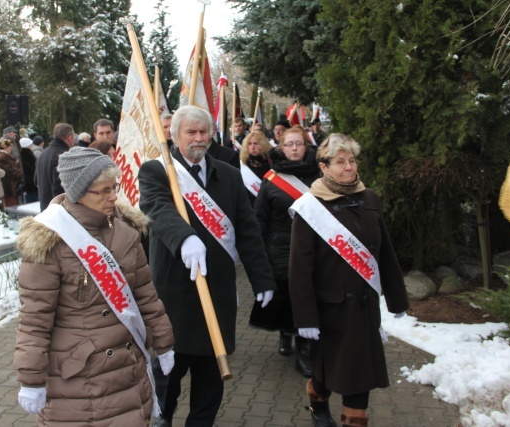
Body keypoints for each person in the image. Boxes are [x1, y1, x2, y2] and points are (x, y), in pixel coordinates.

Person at [14, 146, 175, 425]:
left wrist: (164, 342)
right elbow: (34, 321)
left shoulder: (125, 230)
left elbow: (146, 295)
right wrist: (31, 379)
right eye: (104, 190)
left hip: (127, 370)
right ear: (78, 192)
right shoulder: (49, 241)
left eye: (115, 187)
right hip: (80, 380)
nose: (114, 196)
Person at [138, 105, 276, 427]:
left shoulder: (228, 174)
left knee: (210, 385)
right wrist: (184, 237)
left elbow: (248, 230)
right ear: (175, 136)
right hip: (176, 296)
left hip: (218, 294)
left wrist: (262, 279)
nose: (199, 139)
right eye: (191, 132)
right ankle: (161, 418)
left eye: (204, 132)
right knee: (169, 378)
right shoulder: (157, 171)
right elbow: (156, 207)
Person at [288, 134, 409, 427]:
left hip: (366, 309)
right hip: (331, 310)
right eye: (340, 162)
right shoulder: (311, 206)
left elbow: (385, 252)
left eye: (352, 161)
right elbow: (299, 269)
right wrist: (305, 318)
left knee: (359, 379)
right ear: (324, 166)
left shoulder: (370, 198)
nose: (348, 168)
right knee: (325, 374)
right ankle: (318, 407)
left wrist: (397, 299)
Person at [250, 125, 321, 378]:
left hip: (311, 249)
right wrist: (258, 254)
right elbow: (260, 219)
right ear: (282, 147)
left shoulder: (319, 175)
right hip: (279, 247)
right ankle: (285, 334)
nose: (294, 148)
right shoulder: (270, 178)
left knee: (305, 296)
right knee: (285, 297)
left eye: (298, 144)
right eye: (289, 144)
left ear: (306, 146)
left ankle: (303, 348)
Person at [35, 123, 74, 210]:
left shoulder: (43, 154)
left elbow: (36, 180)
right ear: (70, 137)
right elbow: (59, 187)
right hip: (57, 210)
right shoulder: (63, 155)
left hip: (45, 206)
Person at [238, 131, 271, 206]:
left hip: (264, 205)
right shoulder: (242, 164)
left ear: (263, 145)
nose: (252, 147)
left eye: (255, 144)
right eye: (249, 144)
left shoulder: (270, 164)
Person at [0, 138, 23, 208]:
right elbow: (10, 170)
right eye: (9, 146)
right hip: (8, 184)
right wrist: (20, 174)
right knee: (11, 203)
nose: (11, 148)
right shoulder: (3, 157)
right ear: (5, 147)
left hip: (10, 183)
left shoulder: (4, 155)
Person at [19, 137, 38, 203]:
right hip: (31, 181)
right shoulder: (27, 155)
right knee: (32, 199)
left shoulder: (24, 154)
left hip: (29, 181)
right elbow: (33, 168)